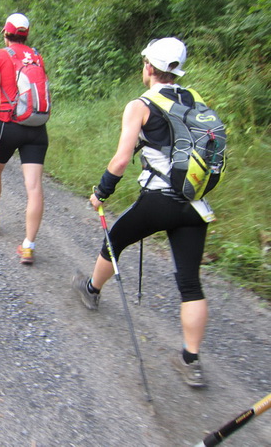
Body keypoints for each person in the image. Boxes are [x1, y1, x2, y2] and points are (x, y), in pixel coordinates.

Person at [70, 38, 212, 388]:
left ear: (149, 67)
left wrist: (101, 192)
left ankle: (91, 290)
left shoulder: (141, 105)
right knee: (190, 283)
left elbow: (121, 159)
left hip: (159, 201)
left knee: (114, 241)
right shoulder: (196, 101)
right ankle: (191, 361)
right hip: (194, 204)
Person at [0, 13, 49, 265]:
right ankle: (28, 246)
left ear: (6, 33)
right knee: (34, 187)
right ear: (26, 35)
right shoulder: (37, 56)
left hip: (8, 124)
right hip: (37, 126)